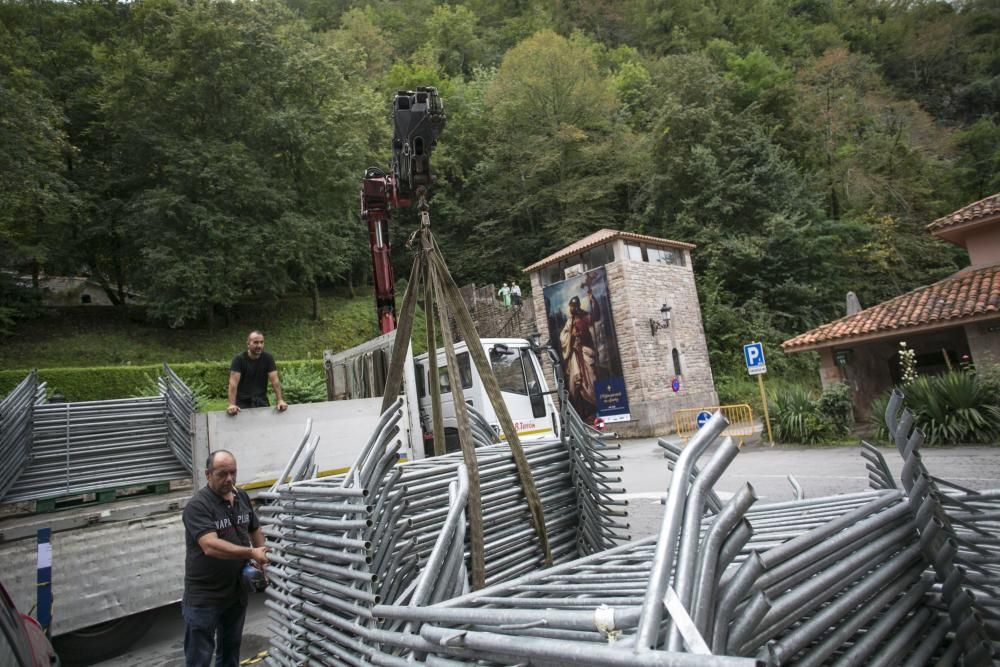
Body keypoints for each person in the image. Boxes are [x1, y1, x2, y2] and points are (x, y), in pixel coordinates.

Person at [182, 450, 267, 667]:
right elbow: (210, 546)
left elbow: (254, 527)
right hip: (205, 597)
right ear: (208, 474)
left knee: (230, 652)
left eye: (233, 472)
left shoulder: (242, 497)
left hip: (235, 592)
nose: (229, 478)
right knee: (199, 658)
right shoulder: (198, 506)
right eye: (222, 474)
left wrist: (262, 555)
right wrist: (250, 553)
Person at [559, 290, 601, 422]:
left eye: (574, 306)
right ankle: (581, 413)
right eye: (571, 307)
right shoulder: (569, 322)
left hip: (584, 352)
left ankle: (591, 411)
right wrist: (571, 335)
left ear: (577, 306)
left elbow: (596, 315)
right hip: (574, 355)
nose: (572, 309)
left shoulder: (585, 317)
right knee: (575, 383)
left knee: (588, 380)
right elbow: (563, 337)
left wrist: (592, 299)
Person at [227, 331, 287, 415]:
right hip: (241, 405)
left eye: (261, 342)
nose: (259, 345)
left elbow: (275, 381)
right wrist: (232, 404)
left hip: (261, 402)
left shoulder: (268, 358)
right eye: (256, 342)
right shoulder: (238, 359)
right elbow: (233, 384)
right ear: (248, 344)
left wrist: (280, 400)